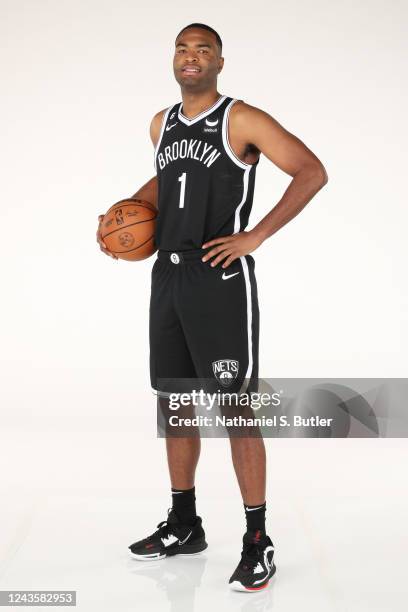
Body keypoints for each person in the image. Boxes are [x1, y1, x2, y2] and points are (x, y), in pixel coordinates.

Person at [96, 22, 328, 592]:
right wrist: (123, 215)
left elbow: (310, 171)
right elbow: (167, 179)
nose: (191, 57)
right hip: (167, 278)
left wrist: (256, 236)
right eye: (183, 48)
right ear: (173, 59)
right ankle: (184, 522)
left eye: (203, 49)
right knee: (175, 405)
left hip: (219, 279)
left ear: (220, 60)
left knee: (236, 411)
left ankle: (257, 540)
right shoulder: (163, 123)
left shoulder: (241, 119)